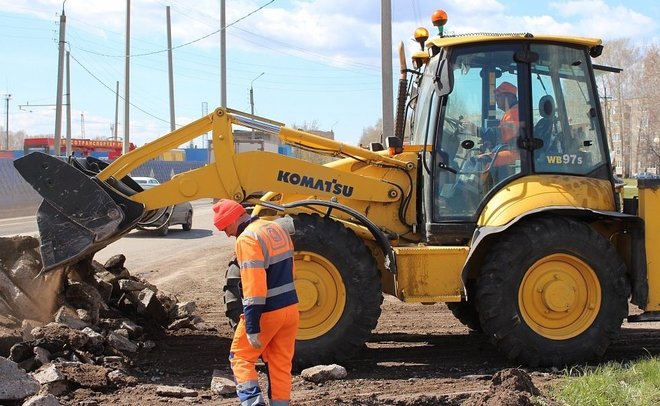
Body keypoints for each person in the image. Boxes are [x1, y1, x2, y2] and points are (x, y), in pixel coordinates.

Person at [213, 199, 299, 406]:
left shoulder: (247, 238)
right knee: (280, 364)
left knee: (240, 358)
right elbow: (291, 269)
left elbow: (254, 285)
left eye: (225, 228)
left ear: (233, 219)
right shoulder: (276, 228)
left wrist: (252, 325)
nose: (227, 234)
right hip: (290, 309)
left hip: (267, 312)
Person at [481, 81, 520, 167]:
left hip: (514, 152)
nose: (496, 100)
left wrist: (477, 130)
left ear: (509, 96)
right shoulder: (511, 112)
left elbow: (500, 133)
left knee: (479, 161)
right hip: (509, 150)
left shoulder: (514, 113)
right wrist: (492, 143)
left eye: (498, 96)